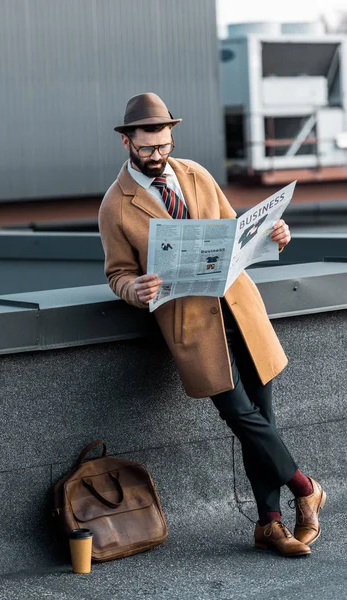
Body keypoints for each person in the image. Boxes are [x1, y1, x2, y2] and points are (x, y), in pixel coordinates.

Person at [98, 92, 326, 558]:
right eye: (148, 149)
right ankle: (305, 487)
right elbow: (116, 273)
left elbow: (232, 231)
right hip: (192, 326)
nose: (159, 156)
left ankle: (270, 524)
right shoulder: (115, 206)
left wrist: (271, 234)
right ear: (127, 144)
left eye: (164, 146)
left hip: (239, 307)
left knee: (260, 420)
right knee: (238, 414)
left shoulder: (196, 173)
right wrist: (134, 289)